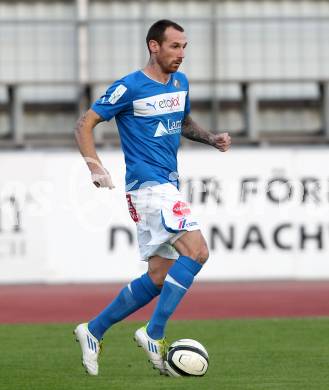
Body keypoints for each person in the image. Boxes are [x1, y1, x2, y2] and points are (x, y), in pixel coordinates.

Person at [73, 19, 231, 376]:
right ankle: (153, 332)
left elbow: (184, 122)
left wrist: (211, 138)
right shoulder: (129, 87)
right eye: (174, 46)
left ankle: (93, 330)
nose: (181, 54)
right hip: (148, 186)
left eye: (184, 47)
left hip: (166, 185)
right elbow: (85, 123)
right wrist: (94, 167)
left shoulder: (180, 83)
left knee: (159, 276)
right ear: (153, 46)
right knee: (198, 251)